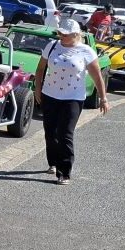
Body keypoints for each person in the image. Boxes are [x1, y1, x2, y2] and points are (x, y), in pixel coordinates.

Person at [33, 18, 109, 185]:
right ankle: (52, 162)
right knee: (50, 132)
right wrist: (38, 89)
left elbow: (97, 76)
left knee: (65, 133)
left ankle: (64, 172)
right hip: (50, 94)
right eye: (60, 33)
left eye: (65, 34)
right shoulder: (52, 46)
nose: (61, 36)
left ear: (76, 34)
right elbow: (40, 69)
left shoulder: (86, 51)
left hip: (73, 98)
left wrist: (103, 98)